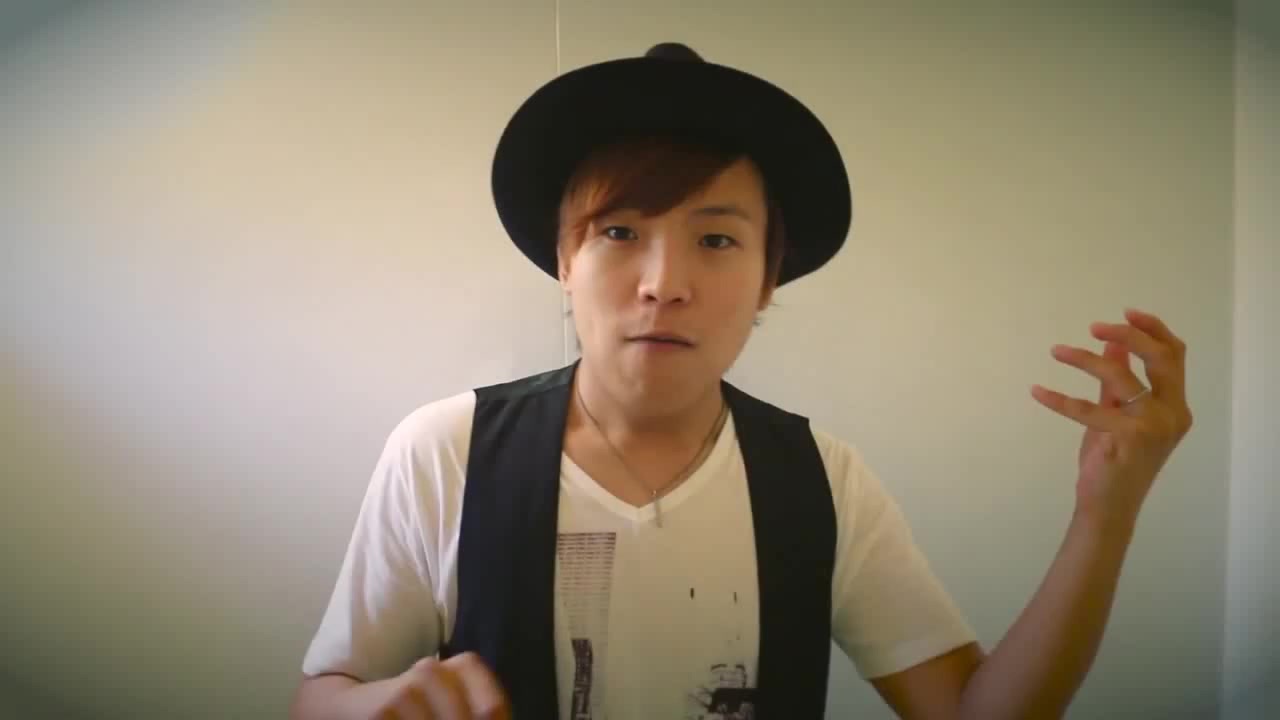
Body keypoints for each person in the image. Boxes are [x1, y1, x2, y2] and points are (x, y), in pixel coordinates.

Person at [289, 42, 1194, 720]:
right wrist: (372, 707)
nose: (664, 283)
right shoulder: (447, 453)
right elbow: (321, 696)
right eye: (618, 233)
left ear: (767, 282)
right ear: (563, 261)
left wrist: (1105, 514)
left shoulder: (822, 479)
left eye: (717, 238)